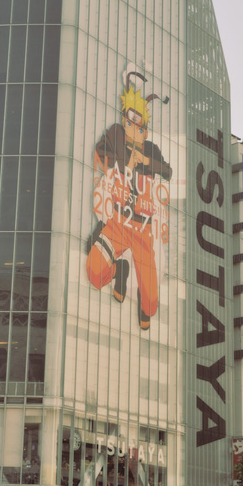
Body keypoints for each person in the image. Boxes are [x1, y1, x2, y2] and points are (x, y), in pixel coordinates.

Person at [86, 68, 172, 332]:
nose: (131, 126)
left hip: (143, 228)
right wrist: (124, 162)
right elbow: (101, 151)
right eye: (128, 120)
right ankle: (117, 271)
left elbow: (167, 171)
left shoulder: (150, 149)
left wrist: (145, 162)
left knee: (151, 302)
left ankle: (145, 311)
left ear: (145, 130)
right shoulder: (116, 135)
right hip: (118, 222)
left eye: (137, 124)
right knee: (94, 272)